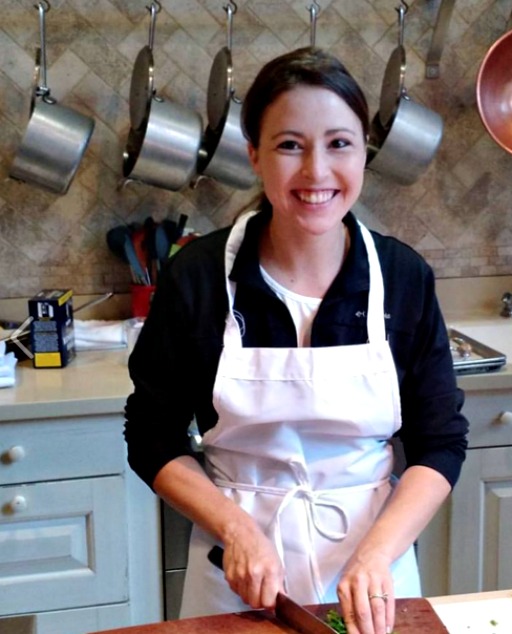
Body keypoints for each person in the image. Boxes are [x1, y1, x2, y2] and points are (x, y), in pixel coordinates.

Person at [124, 46, 468, 634]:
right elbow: (151, 436)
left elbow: (440, 444)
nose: (316, 173)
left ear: (365, 152)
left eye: (339, 144)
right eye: (290, 145)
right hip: (236, 578)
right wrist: (236, 528)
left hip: (373, 581)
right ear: (255, 154)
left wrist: (376, 553)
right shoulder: (198, 278)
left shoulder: (403, 278)